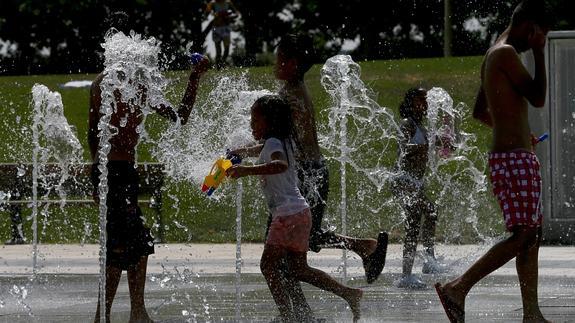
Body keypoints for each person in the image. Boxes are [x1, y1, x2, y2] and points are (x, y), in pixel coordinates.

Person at [435, 1, 551, 322]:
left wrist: (516, 130)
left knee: (531, 236)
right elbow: (538, 97)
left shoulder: (494, 52)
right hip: (513, 161)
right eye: (539, 34)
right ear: (531, 28)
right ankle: (457, 288)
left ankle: (532, 314)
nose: (537, 41)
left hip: (513, 156)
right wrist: (540, 53)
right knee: (524, 235)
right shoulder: (506, 54)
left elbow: (479, 111)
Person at [88, 29, 209, 322]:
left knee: (131, 245)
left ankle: (128, 312)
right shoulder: (106, 84)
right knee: (127, 245)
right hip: (114, 172)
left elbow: (179, 117)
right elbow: (94, 132)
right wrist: (99, 175)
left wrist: (194, 78)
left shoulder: (132, 86)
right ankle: (118, 314)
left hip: (120, 172)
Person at [227, 95, 363, 323]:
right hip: (300, 212)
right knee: (298, 269)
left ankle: (287, 315)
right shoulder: (282, 141)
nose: (251, 124)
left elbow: (280, 165)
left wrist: (245, 171)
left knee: (268, 266)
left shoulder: (274, 144)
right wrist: (241, 151)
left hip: (286, 215)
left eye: (255, 120)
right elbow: (263, 148)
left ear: (269, 122)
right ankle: (349, 293)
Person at [391, 87, 449, 289]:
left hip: (416, 182)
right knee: (413, 223)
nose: (424, 104)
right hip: (404, 181)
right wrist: (424, 146)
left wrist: (447, 137)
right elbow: (402, 149)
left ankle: (429, 261)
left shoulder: (421, 127)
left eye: (426, 100)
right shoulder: (407, 124)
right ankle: (406, 274)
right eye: (420, 99)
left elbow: (446, 143)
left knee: (430, 212)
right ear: (410, 102)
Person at [204, 0, 240, 68]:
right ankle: (218, 66)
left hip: (225, 27)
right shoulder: (212, 3)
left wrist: (228, 16)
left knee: (227, 48)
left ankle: (222, 62)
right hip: (216, 28)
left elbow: (236, 13)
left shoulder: (228, 3)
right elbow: (206, 13)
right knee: (218, 50)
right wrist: (213, 13)